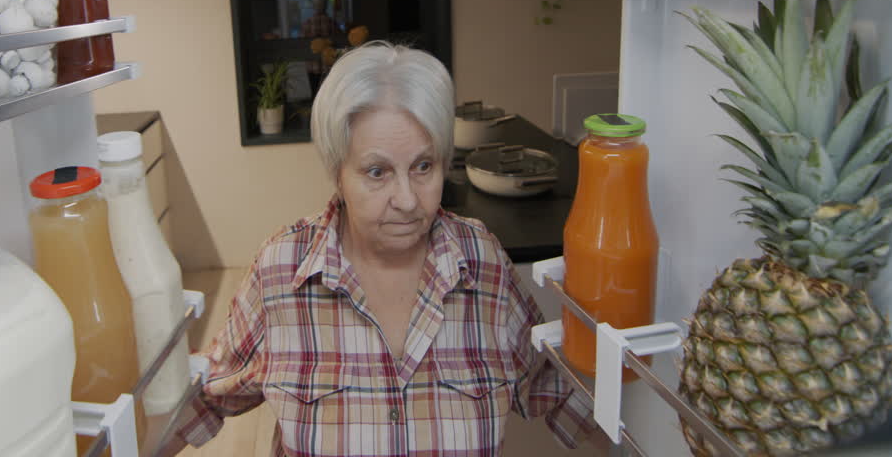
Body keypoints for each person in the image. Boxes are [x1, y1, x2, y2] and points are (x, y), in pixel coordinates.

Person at [161, 42, 595, 457]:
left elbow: (559, 392)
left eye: (423, 166)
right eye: (377, 172)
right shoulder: (281, 271)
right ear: (337, 173)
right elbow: (201, 399)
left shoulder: (483, 263)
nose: (407, 200)